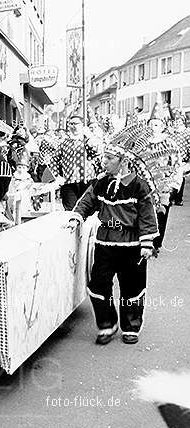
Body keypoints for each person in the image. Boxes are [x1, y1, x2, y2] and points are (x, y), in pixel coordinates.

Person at [67, 139, 158, 345]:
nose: (104, 162)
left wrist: (146, 244)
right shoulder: (101, 182)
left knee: (132, 287)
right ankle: (107, 324)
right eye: (104, 157)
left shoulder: (138, 186)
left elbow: (147, 215)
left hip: (132, 246)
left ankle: (130, 326)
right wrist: (76, 217)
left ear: (123, 161)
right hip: (105, 243)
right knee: (98, 284)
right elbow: (86, 201)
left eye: (109, 158)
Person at [134, 103, 182, 252]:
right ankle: (144, 240)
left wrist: (174, 184)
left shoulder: (170, 143)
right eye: (151, 124)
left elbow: (177, 165)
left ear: (162, 126)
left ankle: (157, 243)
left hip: (164, 185)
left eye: (156, 124)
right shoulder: (141, 144)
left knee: (161, 213)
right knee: (143, 212)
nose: (153, 127)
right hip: (144, 184)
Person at [51, 114, 103, 210]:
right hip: (69, 183)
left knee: (87, 209)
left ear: (82, 125)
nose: (73, 126)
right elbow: (53, 159)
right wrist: (57, 176)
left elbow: (98, 153)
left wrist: (89, 137)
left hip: (87, 181)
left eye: (76, 124)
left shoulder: (88, 140)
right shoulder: (64, 142)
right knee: (70, 211)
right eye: (70, 124)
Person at [168, 109, 190, 206]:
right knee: (172, 178)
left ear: (183, 122)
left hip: (183, 159)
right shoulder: (171, 133)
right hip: (172, 159)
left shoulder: (186, 133)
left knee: (181, 178)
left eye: (180, 121)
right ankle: (171, 198)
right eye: (176, 121)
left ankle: (178, 198)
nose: (178, 123)